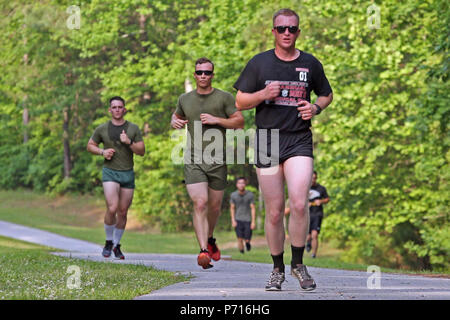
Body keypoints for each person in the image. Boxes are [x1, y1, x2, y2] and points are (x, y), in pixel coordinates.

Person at [234, 8, 333, 291]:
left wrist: (315, 107)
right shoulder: (259, 64)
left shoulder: (310, 63)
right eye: (281, 29)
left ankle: (298, 264)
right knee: (275, 211)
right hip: (267, 141)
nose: (287, 33)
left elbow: (326, 94)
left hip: (298, 140)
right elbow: (240, 102)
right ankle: (277, 269)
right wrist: (264, 95)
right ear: (273, 32)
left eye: (292, 28)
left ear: (298, 31)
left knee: (299, 203)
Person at [171, 57, 244, 269]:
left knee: (214, 207)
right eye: (200, 72)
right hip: (194, 159)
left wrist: (217, 120)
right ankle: (203, 250)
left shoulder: (224, 98)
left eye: (207, 72)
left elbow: (239, 122)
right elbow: (176, 117)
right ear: (195, 74)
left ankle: (210, 238)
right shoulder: (185, 99)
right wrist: (174, 121)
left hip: (218, 160)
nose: (203, 76)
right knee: (200, 203)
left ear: (212, 75)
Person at [87, 96, 145, 260]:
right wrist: (102, 152)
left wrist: (128, 142)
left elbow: (141, 151)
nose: (117, 110)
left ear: (124, 109)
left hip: (127, 173)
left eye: (120, 107)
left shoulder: (132, 128)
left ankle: (116, 245)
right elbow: (90, 145)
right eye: (114, 107)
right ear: (110, 110)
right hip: (110, 172)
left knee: (123, 211)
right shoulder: (102, 129)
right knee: (112, 208)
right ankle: (107, 241)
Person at [306, 171, 329, 258]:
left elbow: (327, 199)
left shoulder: (321, 189)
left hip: (317, 214)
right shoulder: (304, 187)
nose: (313, 180)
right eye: (311, 178)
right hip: (307, 214)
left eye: (315, 178)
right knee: (307, 236)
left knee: (314, 235)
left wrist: (321, 201)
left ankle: (314, 254)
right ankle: (308, 243)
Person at [230, 177, 256, 253]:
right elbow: (232, 208)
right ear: (236, 185)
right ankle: (241, 251)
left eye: (243, 183)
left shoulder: (250, 195)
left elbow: (253, 208)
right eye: (239, 183)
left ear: (245, 184)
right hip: (238, 219)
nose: (241, 185)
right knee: (240, 238)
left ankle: (247, 243)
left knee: (247, 238)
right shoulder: (233, 195)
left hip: (247, 220)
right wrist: (233, 220)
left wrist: (253, 222)